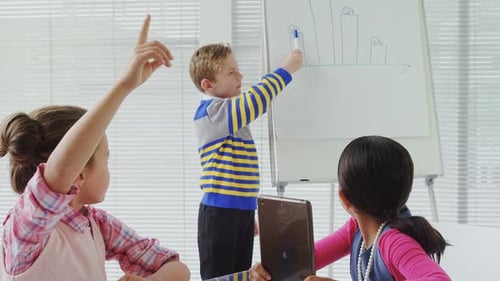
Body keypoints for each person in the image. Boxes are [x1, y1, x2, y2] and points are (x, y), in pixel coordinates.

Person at [0, 15, 190, 281]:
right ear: (78, 173)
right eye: (105, 159)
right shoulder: (27, 229)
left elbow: (176, 268)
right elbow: (57, 175)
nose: (109, 168)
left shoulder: (97, 224)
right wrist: (123, 87)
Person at [249, 136, 451, 281]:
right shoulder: (356, 229)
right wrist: (266, 270)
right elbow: (303, 261)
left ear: (343, 198)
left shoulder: (394, 242)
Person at [188, 43, 303, 279]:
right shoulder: (213, 113)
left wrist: (246, 212)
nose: (240, 76)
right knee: (220, 277)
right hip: (219, 214)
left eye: (237, 70)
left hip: (239, 212)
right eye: (231, 73)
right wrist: (287, 69)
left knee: (242, 276)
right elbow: (255, 101)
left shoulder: (230, 117)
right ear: (208, 85)